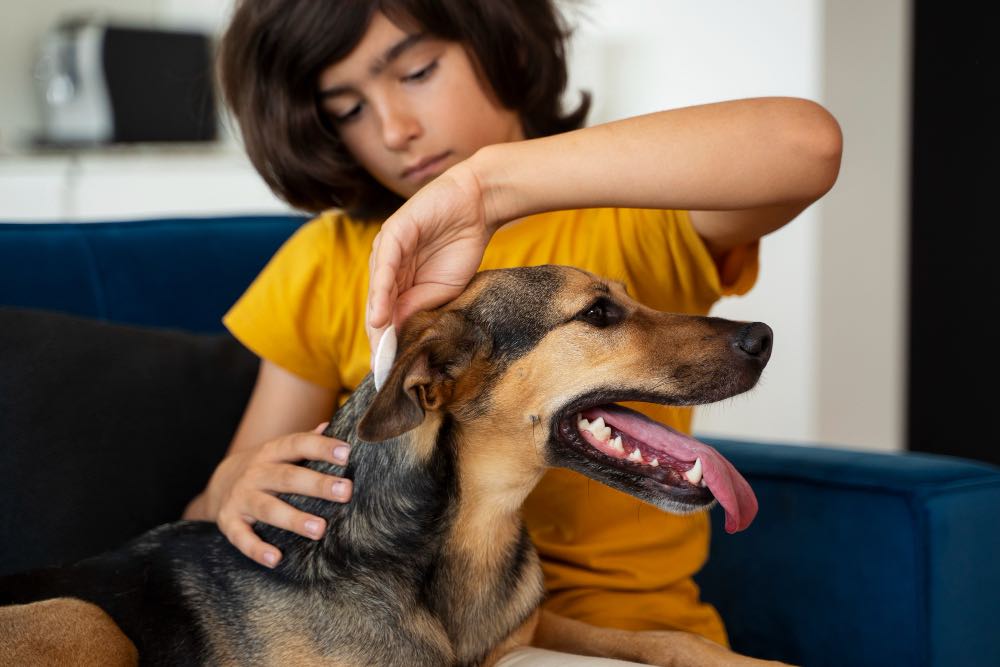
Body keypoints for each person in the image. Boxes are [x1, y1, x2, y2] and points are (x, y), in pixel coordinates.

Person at [183, 0, 842, 651]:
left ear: (508, 43)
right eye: (348, 108)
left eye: (415, 73)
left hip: (639, 633)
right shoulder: (330, 261)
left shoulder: (626, 216)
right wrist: (227, 486)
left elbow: (806, 144)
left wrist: (489, 185)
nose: (392, 129)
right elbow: (229, 515)